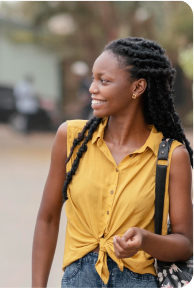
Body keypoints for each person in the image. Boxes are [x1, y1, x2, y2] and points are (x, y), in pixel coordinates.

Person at [32, 37, 194, 288]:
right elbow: (48, 218)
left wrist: (144, 240)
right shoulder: (71, 138)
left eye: (103, 81)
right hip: (78, 280)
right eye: (94, 79)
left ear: (137, 87)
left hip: (140, 281)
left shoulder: (172, 156)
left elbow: (185, 244)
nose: (92, 88)